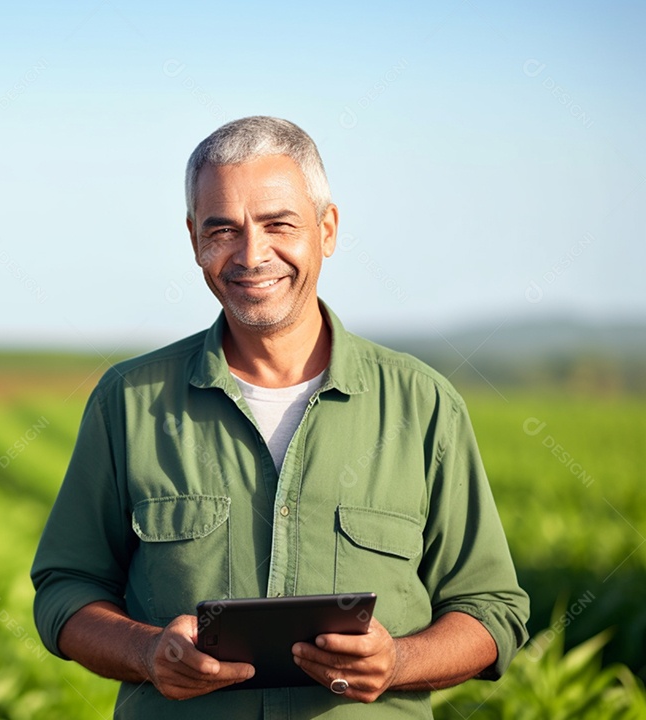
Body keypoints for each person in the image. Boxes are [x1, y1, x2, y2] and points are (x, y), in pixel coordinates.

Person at [30, 115, 529, 718]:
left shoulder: (423, 406)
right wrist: (146, 651)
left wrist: (396, 661)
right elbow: (65, 590)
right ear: (194, 241)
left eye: (278, 225)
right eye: (222, 230)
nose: (251, 255)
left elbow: (492, 611)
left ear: (327, 229)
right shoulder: (128, 401)